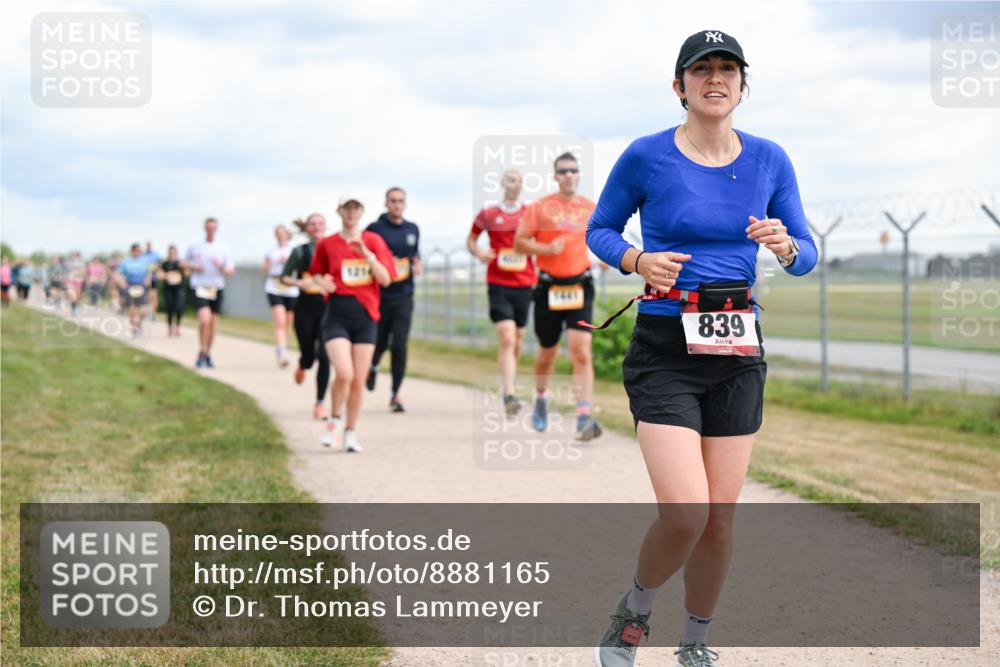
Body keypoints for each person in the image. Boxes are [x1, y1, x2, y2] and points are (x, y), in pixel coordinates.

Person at [585, 31, 817, 667]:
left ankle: (696, 642)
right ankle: (633, 611)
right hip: (665, 343)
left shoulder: (769, 159)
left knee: (719, 519)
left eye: (727, 69)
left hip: (737, 346)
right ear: (679, 85)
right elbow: (599, 230)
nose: (715, 79)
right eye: (702, 69)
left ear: (743, 84)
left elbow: (806, 253)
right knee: (686, 514)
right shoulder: (647, 156)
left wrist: (787, 246)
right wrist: (638, 258)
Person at [514, 152, 603, 441]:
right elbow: (520, 243)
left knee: (580, 350)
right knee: (547, 352)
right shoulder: (540, 208)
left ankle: (584, 416)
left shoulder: (590, 208)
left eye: (573, 170)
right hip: (549, 287)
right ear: (555, 176)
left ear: (579, 175)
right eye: (563, 171)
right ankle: (541, 396)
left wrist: (605, 257)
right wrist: (546, 250)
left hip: (580, 285)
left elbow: (603, 237)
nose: (568, 175)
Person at [309, 193, 395, 452]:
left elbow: (386, 279)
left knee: (359, 379)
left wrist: (367, 255)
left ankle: (351, 431)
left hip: (366, 317)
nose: (351, 212)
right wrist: (321, 282)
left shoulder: (373, 241)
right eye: (347, 208)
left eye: (355, 208)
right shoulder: (327, 243)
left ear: (362, 212)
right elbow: (316, 272)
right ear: (339, 211)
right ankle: (334, 421)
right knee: (344, 373)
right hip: (337, 315)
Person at [468, 169, 536, 416]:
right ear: (502, 183)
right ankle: (508, 394)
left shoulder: (530, 214)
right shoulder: (488, 214)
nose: (514, 184)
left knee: (517, 339)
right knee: (507, 337)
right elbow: (471, 239)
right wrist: (478, 253)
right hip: (498, 282)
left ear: (521, 185)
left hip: (525, 283)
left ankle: (511, 384)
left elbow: (540, 241)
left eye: (519, 180)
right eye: (510, 179)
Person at [363, 187, 421, 413]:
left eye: (400, 201)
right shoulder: (374, 230)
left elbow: (415, 254)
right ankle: (373, 365)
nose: (397, 204)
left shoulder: (412, 229)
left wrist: (417, 263)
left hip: (404, 295)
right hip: (380, 296)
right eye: (393, 201)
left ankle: (395, 394)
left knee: (400, 344)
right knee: (379, 341)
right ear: (386, 203)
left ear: (405, 204)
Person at [282, 214, 332, 420]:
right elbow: (284, 277)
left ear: (326, 226)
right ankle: (303, 364)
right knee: (310, 357)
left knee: (325, 355)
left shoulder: (332, 248)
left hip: (328, 308)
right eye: (313, 224)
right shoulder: (300, 251)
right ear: (307, 228)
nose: (317, 227)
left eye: (320, 223)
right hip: (304, 308)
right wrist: (298, 283)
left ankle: (320, 403)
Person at [183, 217, 235, 368]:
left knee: (212, 324)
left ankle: (206, 353)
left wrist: (221, 267)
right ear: (204, 228)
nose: (211, 230)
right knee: (204, 319)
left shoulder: (223, 248)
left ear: (216, 229)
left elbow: (231, 271)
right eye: (208, 228)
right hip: (199, 286)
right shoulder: (195, 246)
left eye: (213, 228)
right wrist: (193, 266)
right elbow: (183, 262)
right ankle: (202, 350)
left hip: (216, 287)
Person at [263, 225, 299, 367]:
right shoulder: (271, 251)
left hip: (290, 288)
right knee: (280, 320)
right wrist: (274, 262)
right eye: (277, 233)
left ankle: (281, 346)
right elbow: (264, 268)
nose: (280, 235)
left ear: (287, 235)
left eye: (282, 233)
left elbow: (300, 267)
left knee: (287, 323)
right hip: (274, 287)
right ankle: (282, 352)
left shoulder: (293, 250)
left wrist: (289, 263)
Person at [117, 243, 154, 337]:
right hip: (130, 286)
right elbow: (119, 273)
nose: (138, 252)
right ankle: (134, 328)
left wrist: (148, 280)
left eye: (139, 251)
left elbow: (149, 273)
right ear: (132, 251)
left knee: (143, 311)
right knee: (132, 309)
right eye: (136, 250)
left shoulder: (145, 261)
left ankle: (139, 324)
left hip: (142, 286)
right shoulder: (126, 261)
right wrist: (122, 282)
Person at [158, 245, 186, 337]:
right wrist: (167, 275)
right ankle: (170, 328)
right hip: (168, 289)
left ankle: (177, 328)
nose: (171, 254)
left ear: (176, 253)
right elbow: (159, 275)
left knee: (179, 308)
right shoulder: (165, 264)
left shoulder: (180, 263)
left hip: (179, 289)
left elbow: (187, 274)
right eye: (170, 252)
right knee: (169, 309)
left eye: (173, 252)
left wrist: (184, 268)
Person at [141, 242, 162, 320]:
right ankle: (146, 313)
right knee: (146, 296)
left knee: (154, 296)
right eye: (147, 245)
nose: (149, 247)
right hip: (145, 278)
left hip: (153, 278)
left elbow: (159, 265)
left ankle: (153, 314)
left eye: (150, 245)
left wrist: (155, 270)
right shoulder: (143, 255)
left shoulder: (156, 255)